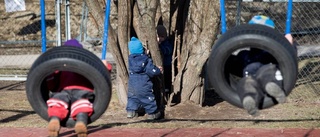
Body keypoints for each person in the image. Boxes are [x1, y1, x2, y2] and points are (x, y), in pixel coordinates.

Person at [226, 15, 296, 116]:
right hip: (257, 73)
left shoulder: (272, 51)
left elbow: (288, 59)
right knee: (249, 82)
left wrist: (289, 44)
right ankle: (250, 100)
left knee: (252, 81)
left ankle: (269, 89)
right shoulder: (245, 54)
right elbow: (229, 63)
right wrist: (224, 51)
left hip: (258, 72)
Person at [46, 39, 112, 137]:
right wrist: (106, 66)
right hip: (82, 90)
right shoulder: (87, 64)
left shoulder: (60, 66)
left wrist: (50, 72)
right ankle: (81, 121)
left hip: (64, 90)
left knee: (58, 103)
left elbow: (51, 84)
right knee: (81, 105)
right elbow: (101, 74)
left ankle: (55, 119)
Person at [126, 36, 163, 120]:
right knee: (147, 97)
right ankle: (152, 113)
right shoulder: (145, 60)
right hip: (143, 83)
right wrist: (158, 70)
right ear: (141, 49)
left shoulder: (130, 59)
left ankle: (131, 112)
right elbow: (151, 71)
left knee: (132, 98)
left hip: (132, 84)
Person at [156, 25, 174, 98]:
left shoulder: (167, 43)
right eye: (159, 36)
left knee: (167, 80)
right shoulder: (157, 43)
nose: (160, 38)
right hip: (160, 65)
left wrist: (161, 47)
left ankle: (167, 93)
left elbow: (168, 51)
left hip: (167, 65)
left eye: (162, 37)